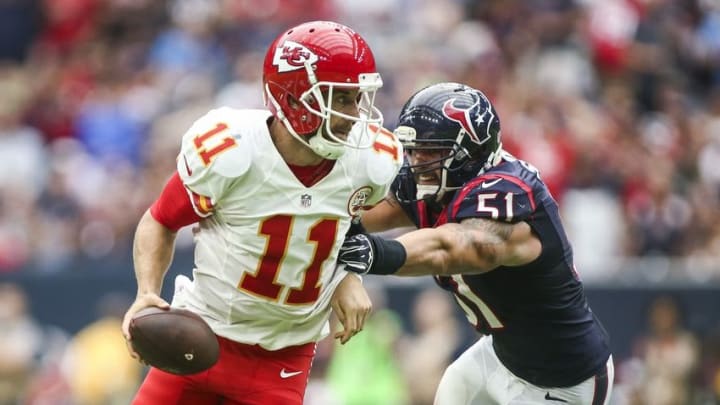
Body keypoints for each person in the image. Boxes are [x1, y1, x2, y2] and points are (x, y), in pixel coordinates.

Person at [121, 20, 403, 405]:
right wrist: (146, 293)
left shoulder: (367, 162)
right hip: (204, 333)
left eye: (357, 98)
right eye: (340, 99)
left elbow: (347, 220)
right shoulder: (232, 153)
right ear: (293, 98)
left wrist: (345, 275)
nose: (355, 115)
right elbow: (161, 220)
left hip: (284, 356)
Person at [338, 82, 614, 404]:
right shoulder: (437, 182)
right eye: (414, 149)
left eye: (433, 150)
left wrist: (372, 254)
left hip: (564, 380)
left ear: (470, 152)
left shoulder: (509, 193)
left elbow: (455, 247)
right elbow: (354, 214)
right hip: (499, 356)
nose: (418, 161)